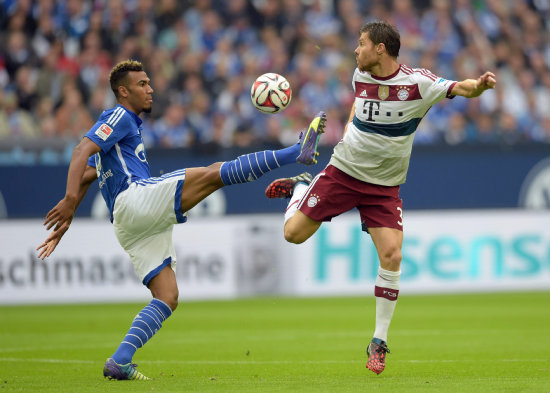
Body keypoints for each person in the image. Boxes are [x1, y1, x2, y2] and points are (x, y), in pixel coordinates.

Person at [36, 59, 327, 381]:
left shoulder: (128, 128)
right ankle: (296, 152)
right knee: (214, 173)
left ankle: (119, 361)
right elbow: (80, 151)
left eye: (149, 82)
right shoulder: (119, 115)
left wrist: (70, 215)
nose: (150, 89)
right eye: (142, 84)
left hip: (128, 224)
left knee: (167, 296)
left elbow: (91, 172)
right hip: (133, 199)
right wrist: (69, 200)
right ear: (123, 91)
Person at [265, 20, 496, 375]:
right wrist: (345, 138)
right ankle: (299, 187)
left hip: (384, 187)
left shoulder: (418, 83)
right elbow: (358, 109)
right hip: (344, 172)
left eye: (361, 44)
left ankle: (379, 341)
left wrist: (478, 86)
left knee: (392, 255)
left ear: (380, 49)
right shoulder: (360, 77)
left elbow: (461, 87)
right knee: (292, 234)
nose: (355, 50)